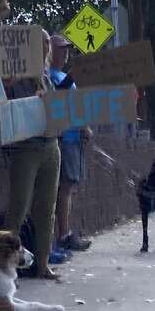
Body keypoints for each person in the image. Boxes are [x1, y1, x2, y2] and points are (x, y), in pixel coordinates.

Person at [1, 36, 64, 281]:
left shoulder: (48, 78)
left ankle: (43, 263)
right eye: (42, 42)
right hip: (26, 148)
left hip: (50, 146)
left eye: (47, 43)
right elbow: (4, 107)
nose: (45, 47)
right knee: (19, 207)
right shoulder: (16, 78)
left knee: (47, 209)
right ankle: (4, 264)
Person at [48, 35, 93, 253]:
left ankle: (65, 233)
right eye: (60, 50)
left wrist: (84, 126)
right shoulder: (51, 76)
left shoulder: (65, 76)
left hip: (74, 137)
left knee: (69, 186)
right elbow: (58, 98)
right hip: (63, 138)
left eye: (66, 50)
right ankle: (63, 234)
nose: (64, 54)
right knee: (63, 187)